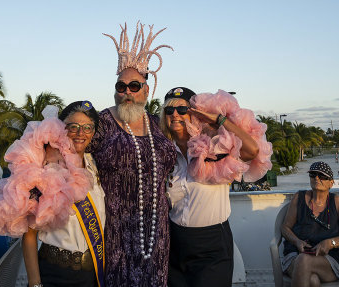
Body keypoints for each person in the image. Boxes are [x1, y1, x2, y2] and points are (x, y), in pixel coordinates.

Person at [90, 22, 176, 286]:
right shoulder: (101, 123)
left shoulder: (160, 126)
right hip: (115, 236)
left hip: (157, 235)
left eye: (134, 86)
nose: (127, 91)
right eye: (121, 86)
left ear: (146, 91)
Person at [160, 87, 269, 287]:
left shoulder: (215, 147)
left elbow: (252, 150)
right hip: (175, 246)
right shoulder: (165, 155)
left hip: (211, 246)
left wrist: (218, 120)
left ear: (194, 114)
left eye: (182, 110)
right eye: (169, 110)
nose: (175, 114)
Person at [22, 101, 105, 287]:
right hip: (54, 273)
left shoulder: (95, 165)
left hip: (91, 275)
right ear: (60, 129)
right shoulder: (46, 167)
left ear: (93, 132)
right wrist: (35, 283)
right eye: (72, 126)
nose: (80, 133)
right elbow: (29, 235)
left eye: (87, 127)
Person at [281, 161, 339, 287]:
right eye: (313, 174)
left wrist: (331, 243)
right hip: (295, 255)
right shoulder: (299, 197)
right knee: (312, 279)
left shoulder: (337, 202)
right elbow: (285, 228)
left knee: (304, 260)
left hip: (328, 259)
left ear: (331, 183)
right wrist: (297, 241)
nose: (317, 178)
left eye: (322, 176)